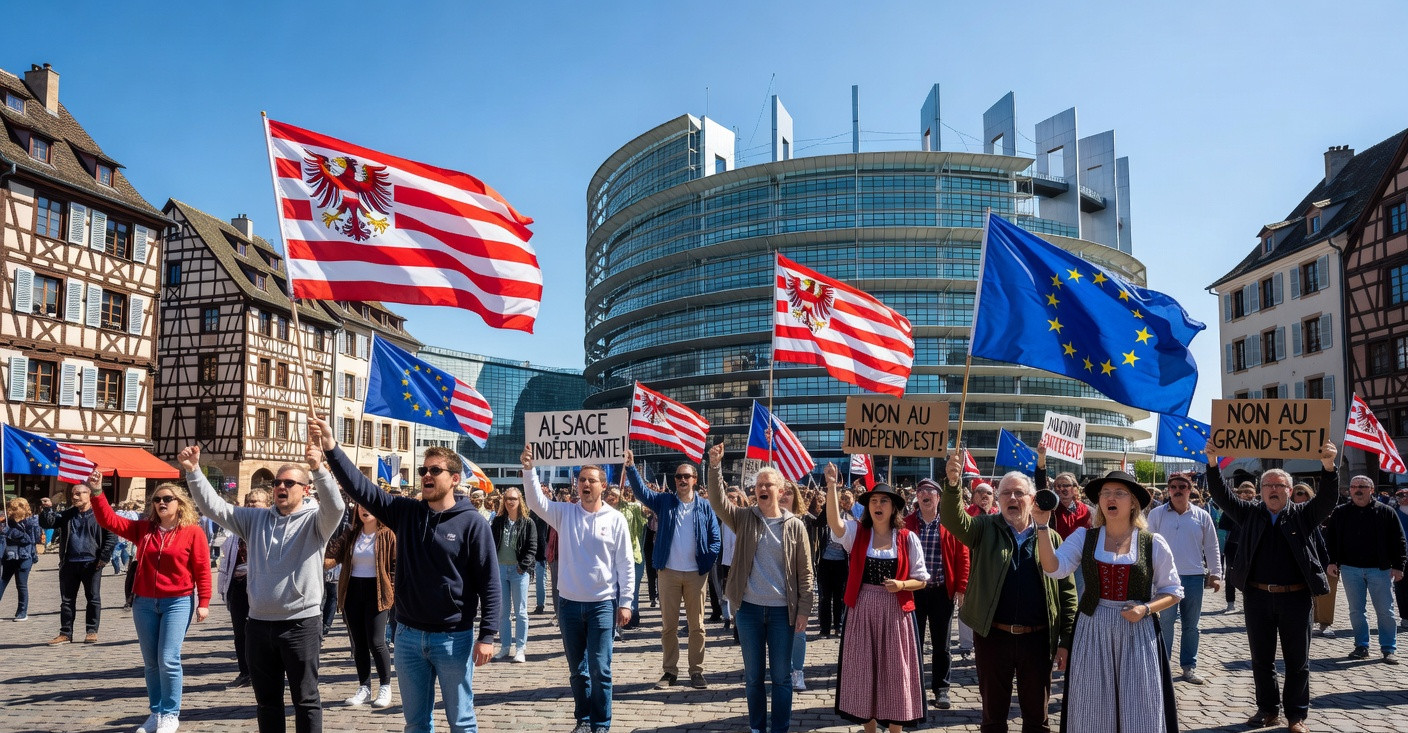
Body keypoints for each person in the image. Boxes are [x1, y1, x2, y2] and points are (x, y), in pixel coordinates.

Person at [308, 416, 499, 733]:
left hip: (454, 638)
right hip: (408, 637)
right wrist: (330, 445)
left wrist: (488, 635)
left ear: (453, 479)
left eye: (434, 470)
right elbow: (361, 488)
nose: (426, 475)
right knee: (415, 723)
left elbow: (489, 583)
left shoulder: (472, 523)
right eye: (424, 470)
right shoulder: (406, 512)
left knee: (462, 722)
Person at [182, 445, 345, 733]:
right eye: (277, 483)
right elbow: (214, 508)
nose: (281, 486)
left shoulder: (316, 521)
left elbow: (336, 506)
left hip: (300, 624)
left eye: (289, 483)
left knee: (305, 700)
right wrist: (194, 471)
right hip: (258, 625)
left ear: (305, 490)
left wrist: (319, 469)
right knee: (267, 702)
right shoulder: (255, 519)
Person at [1204, 441, 1338, 733]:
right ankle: (1267, 709)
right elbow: (1222, 496)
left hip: (1296, 597)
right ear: (1261, 490)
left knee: (1297, 661)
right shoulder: (1249, 513)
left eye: (1279, 485)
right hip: (1257, 597)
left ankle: (1296, 716)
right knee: (1261, 659)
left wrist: (1329, 467)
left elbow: (1327, 500)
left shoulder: (1303, 515)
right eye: (1267, 485)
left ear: (1290, 491)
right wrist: (1213, 464)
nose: (1273, 490)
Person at [1035, 470, 1182, 732]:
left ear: (1133, 502)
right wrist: (1043, 527)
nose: (1110, 498)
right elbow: (1054, 567)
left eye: (1119, 493)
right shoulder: (1085, 537)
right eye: (1106, 493)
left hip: (1138, 629)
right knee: (1091, 704)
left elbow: (1173, 591)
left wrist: (1145, 608)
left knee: (1140, 704)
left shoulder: (1152, 542)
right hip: (1093, 627)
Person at [940, 454, 1077, 733]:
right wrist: (953, 484)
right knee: (993, 717)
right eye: (1006, 493)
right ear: (998, 499)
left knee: (1037, 719)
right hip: (993, 636)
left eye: (1019, 493)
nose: (1012, 498)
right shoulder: (984, 527)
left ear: (1032, 498)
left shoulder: (1050, 537)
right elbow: (955, 521)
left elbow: (1067, 593)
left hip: (1038, 639)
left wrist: (1066, 640)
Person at [89, 472, 212, 733]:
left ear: (180, 503)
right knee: (151, 662)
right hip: (144, 602)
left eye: (168, 499)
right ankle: (156, 713)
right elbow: (108, 520)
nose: (161, 503)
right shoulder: (144, 529)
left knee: (168, 658)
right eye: (157, 499)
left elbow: (202, 569)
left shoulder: (193, 532)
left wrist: (205, 601)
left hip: (177, 601)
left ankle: (171, 713)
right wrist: (98, 492)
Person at [522, 447, 633, 733]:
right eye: (581, 479)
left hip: (602, 605)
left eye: (591, 480)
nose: (585, 484)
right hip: (569, 605)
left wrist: (627, 602)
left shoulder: (615, 519)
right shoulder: (564, 513)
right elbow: (535, 501)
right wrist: (529, 469)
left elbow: (625, 564)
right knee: (578, 671)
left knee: (601, 669)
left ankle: (601, 723)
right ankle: (583, 719)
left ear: (602, 485)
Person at [706, 444, 812, 733]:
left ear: (780, 490)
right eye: (758, 484)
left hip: (782, 614)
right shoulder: (744, 518)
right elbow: (718, 503)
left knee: (781, 677)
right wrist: (714, 467)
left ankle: (779, 728)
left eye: (768, 484)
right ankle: (757, 727)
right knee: (753, 677)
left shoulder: (795, 526)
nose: (762, 488)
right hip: (749, 611)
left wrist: (804, 610)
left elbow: (806, 573)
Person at [826, 461, 929, 733]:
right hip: (862, 609)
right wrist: (831, 487)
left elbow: (922, 580)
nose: (878, 504)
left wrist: (901, 583)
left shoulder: (907, 538)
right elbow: (834, 523)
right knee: (863, 669)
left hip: (896, 611)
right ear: (868, 506)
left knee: (895, 670)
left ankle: (895, 727)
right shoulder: (858, 533)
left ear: (894, 507)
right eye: (873, 500)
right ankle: (869, 727)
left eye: (884, 500)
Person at [633, 458, 720, 690]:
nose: (682, 480)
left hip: (695, 575)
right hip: (668, 573)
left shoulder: (705, 507)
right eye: (678, 477)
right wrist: (631, 467)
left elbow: (715, 539)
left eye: (686, 477)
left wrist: (706, 562)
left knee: (697, 626)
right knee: (669, 626)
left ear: (694, 480)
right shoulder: (665, 502)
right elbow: (641, 493)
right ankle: (670, 671)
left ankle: (696, 671)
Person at [1147, 471, 1223, 685]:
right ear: (1168, 490)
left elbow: (1211, 545)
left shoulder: (1202, 515)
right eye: (1174, 487)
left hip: (1194, 577)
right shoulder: (1156, 515)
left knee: (1192, 625)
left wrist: (1215, 574)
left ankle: (1189, 667)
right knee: (1166, 624)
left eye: (1183, 487)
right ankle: (1162, 667)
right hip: (1164, 579)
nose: (1178, 490)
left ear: (1190, 490)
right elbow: (1147, 545)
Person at [1322, 475, 1406, 664]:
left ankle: (1388, 648)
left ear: (1372, 490)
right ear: (1349, 490)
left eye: (1362, 486)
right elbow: (1331, 539)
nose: (1357, 490)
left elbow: (1399, 541)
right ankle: (1361, 646)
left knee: (1385, 611)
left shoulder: (1386, 512)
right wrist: (1332, 561)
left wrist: (1399, 566)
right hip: (1351, 569)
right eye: (1353, 486)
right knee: (1356, 611)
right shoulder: (1340, 512)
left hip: (1380, 569)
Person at [902, 477, 970, 711]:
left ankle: (941, 689)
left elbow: (962, 555)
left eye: (931, 491)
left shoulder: (950, 523)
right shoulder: (906, 523)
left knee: (942, 645)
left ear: (939, 498)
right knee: (913, 642)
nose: (926, 494)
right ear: (917, 497)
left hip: (942, 592)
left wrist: (961, 587)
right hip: (914, 592)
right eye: (921, 491)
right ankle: (913, 687)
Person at [324, 503, 397, 707]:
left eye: (369, 506)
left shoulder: (387, 534)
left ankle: (385, 686)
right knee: (358, 643)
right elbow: (331, 557)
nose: (365, 510)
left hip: (377, 590)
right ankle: (364, 687)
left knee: (376, 641)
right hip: (353, 590)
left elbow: (394, 565)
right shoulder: (352, 533)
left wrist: (391, 590)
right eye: (360, 507)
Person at [40, 482, 118, 644]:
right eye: (73, 494)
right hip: (69, 563)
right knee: (67, 601)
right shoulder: (68, 514)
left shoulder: (100, 514)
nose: (75, 497)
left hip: (92, 563)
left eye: (79, 493)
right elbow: (48, 523)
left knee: (93, 598)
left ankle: (91, 631)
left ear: (89, 495)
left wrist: (103, 558)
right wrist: (48, 508)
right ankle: (66, 633)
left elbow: (112, 537)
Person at [217, 489, 270, 689]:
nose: (253, 505)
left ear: (267, 505)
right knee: (240, 632)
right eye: (250, 502)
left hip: (261, 585)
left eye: (258, 502)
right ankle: (245, 672)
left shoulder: (271, 527)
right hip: (238, 586)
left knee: (263, 633)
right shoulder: (236, 530)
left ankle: (266, 672)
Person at [491, 487, 538, 662]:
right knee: (503, 612)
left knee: (521, 611)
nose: (510, 501)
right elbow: (490, 544)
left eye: (514, 499)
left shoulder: (527, 522)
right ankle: (505, 646)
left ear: (520, 501)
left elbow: (532, 546)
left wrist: (524, 565)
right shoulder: (497, 522)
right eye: (507, 498)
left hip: (519, 571)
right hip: (500, 569)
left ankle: (520, 648)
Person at [1217, 482, 1257, 613]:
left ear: (1254, 493)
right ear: (1238, 494)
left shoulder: (1260, 507)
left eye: (1249, 491)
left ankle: (1248, 603)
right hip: (1233, 545)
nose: (1246, 494)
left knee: (1251, 575)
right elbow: (1223, 525)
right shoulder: (1232, 507)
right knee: (1230, 574)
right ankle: (1230, 603)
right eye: (1243, 491)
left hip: (1253, 545)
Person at [2, 497, 42, 621]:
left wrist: (8, 531)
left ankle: (22, 612)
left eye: (13, 509)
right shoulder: (8, 521)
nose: (9, 511)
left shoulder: (32, 522)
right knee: (2, 582)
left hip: (25, 556)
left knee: (21, 585)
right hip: (9, 556)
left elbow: (29, 539)